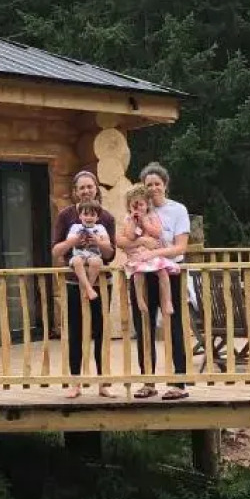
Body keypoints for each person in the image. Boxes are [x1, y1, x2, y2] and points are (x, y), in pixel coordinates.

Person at [117, 161, 191, 400]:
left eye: (157, 183)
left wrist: (154, 253)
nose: (153, 188)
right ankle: (148, 381)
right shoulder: (137, 208)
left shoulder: (177, 210)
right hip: (142, 273)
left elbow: (180, 246)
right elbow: (121, 240)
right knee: (143, 326)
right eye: (149, 184)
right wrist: (140, 244)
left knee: (175, 326)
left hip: (169, 272)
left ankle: (178, 383)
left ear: (165, 185)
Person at [51, 171, 117, 398]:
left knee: (100, 331)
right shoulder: (65, 216)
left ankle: (103, 383)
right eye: (82, 188)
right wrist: (73, 241)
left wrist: (99, 242)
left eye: (90, 186)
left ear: (96, 188)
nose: (86, 191)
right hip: (73, 282)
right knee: (76, 332)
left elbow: (111, 254)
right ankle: (75, 382)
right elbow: (56, 251)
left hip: (101, 284)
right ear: (75, 192)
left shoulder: (106, 218)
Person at [122, 182, 178, 320]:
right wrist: (134, 222)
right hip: (139, 254)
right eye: (134, 205)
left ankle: (167, 301)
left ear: (147, 205)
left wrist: (145, 223)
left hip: (153, 254)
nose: (138, 208)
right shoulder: (128, 219)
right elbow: (129, 236)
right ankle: (140, 300)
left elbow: (158, 232)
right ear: (129, 206)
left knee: (163, 272)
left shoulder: (152, 216)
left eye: (141, 205)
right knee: (138, 273)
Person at [66, 200, 111, 297]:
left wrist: (97, 241)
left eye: (92, 215)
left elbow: (107, 243)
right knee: (77, 261)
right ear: (80, 216)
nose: (89, 217)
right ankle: (89, 288)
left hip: (94, 255)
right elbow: (69, 240)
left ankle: (88, 288)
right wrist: (78, 239)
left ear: (97, 217)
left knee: (96, 262)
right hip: (79, 255)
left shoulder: (100, 228)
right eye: (86, 214)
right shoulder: (75, 227)